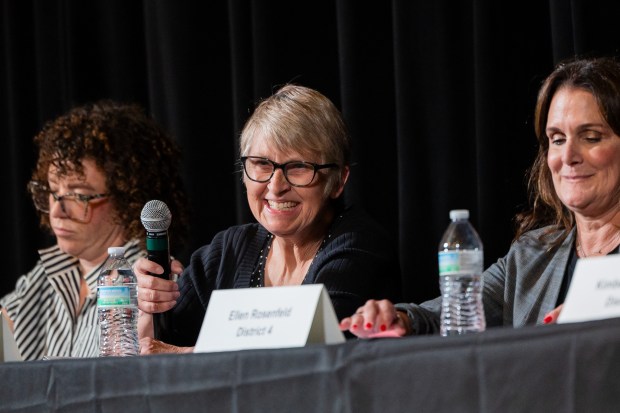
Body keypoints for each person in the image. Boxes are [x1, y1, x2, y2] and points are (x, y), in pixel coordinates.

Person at [340, 56, 620, 338]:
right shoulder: (530, 256)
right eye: (557, 139)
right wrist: (400, 318)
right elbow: (450, 312)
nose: (568, 157)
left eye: (591, 137)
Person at [136, 84, 402, 354]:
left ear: (338, 181)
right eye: (262, 164)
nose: (275, 186)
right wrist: (151, 307)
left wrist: (184, 356)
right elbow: (156, 345)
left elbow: (311, 352)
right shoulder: (227, 250)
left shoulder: (359, 244)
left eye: (299, 167)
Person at [0, 101, 188, 360]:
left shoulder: (151, 282)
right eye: (53, 193)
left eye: (78, 196)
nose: (56, 211)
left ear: (127, 198)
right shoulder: (43, 277)